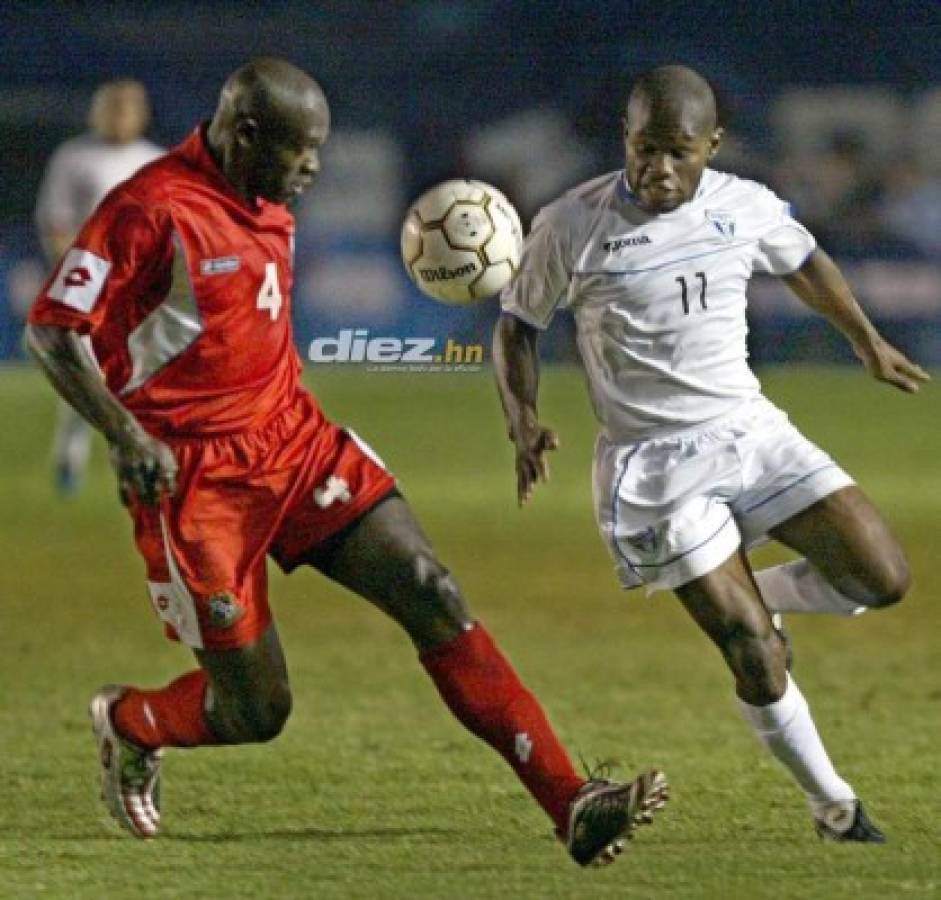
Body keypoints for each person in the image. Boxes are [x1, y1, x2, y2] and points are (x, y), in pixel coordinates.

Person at [25, 57, 668, 867]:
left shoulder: (267, 196)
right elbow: (52, 331)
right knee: (257, 709)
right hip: (195, 485)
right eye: (300, 150)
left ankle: (569, 800)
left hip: (295, 445)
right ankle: (130, 723)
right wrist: (126, 436)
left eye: (319, 150)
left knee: (432, 591)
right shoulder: (149, 210)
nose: (314, 168)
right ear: (246, 134)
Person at [493, 65, 929, 844]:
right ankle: (834, 806)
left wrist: (865, 342)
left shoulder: (745, 205)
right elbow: (516, 327)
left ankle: (747, 594)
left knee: (881, 577)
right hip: (653, 469)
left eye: (678, 153)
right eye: (644, 149)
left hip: (749, 432)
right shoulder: (569, 224)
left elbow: (804, 261)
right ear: (624, 141)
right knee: (754, 654)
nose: (658, 169)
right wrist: (522, 418)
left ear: (712, 147)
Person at [35, 79, 163, 494]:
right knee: (87, 371)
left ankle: (150, 455)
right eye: (113, 105)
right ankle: (71, 456)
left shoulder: (157, 161)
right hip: (92, 287)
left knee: (147, 375)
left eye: (129, 105)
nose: (121, 113)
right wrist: (75, 279)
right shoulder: (74, 157)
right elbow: (56, 220)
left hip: (144, 290)